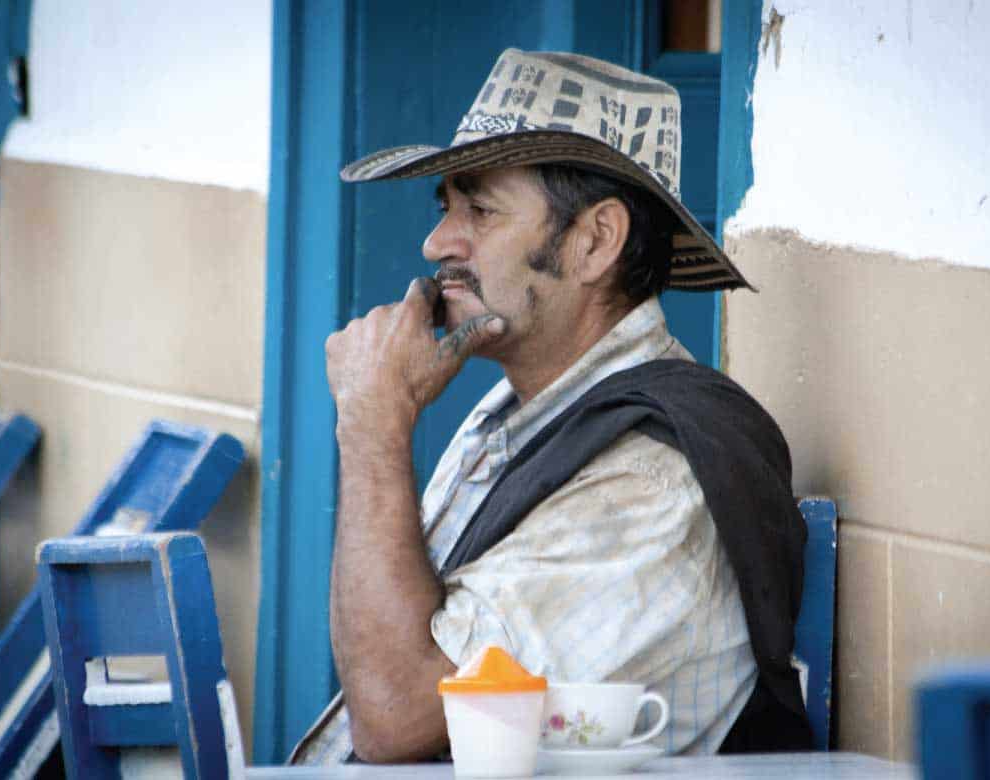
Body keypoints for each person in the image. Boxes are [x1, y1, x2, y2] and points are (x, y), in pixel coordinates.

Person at [290, 48, 810, 765]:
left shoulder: (655, 481)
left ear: (596, 240)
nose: (436, 242)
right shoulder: (520, 413)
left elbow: (398, 712)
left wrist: (373, 426)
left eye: (479, 208)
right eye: (446, 207)